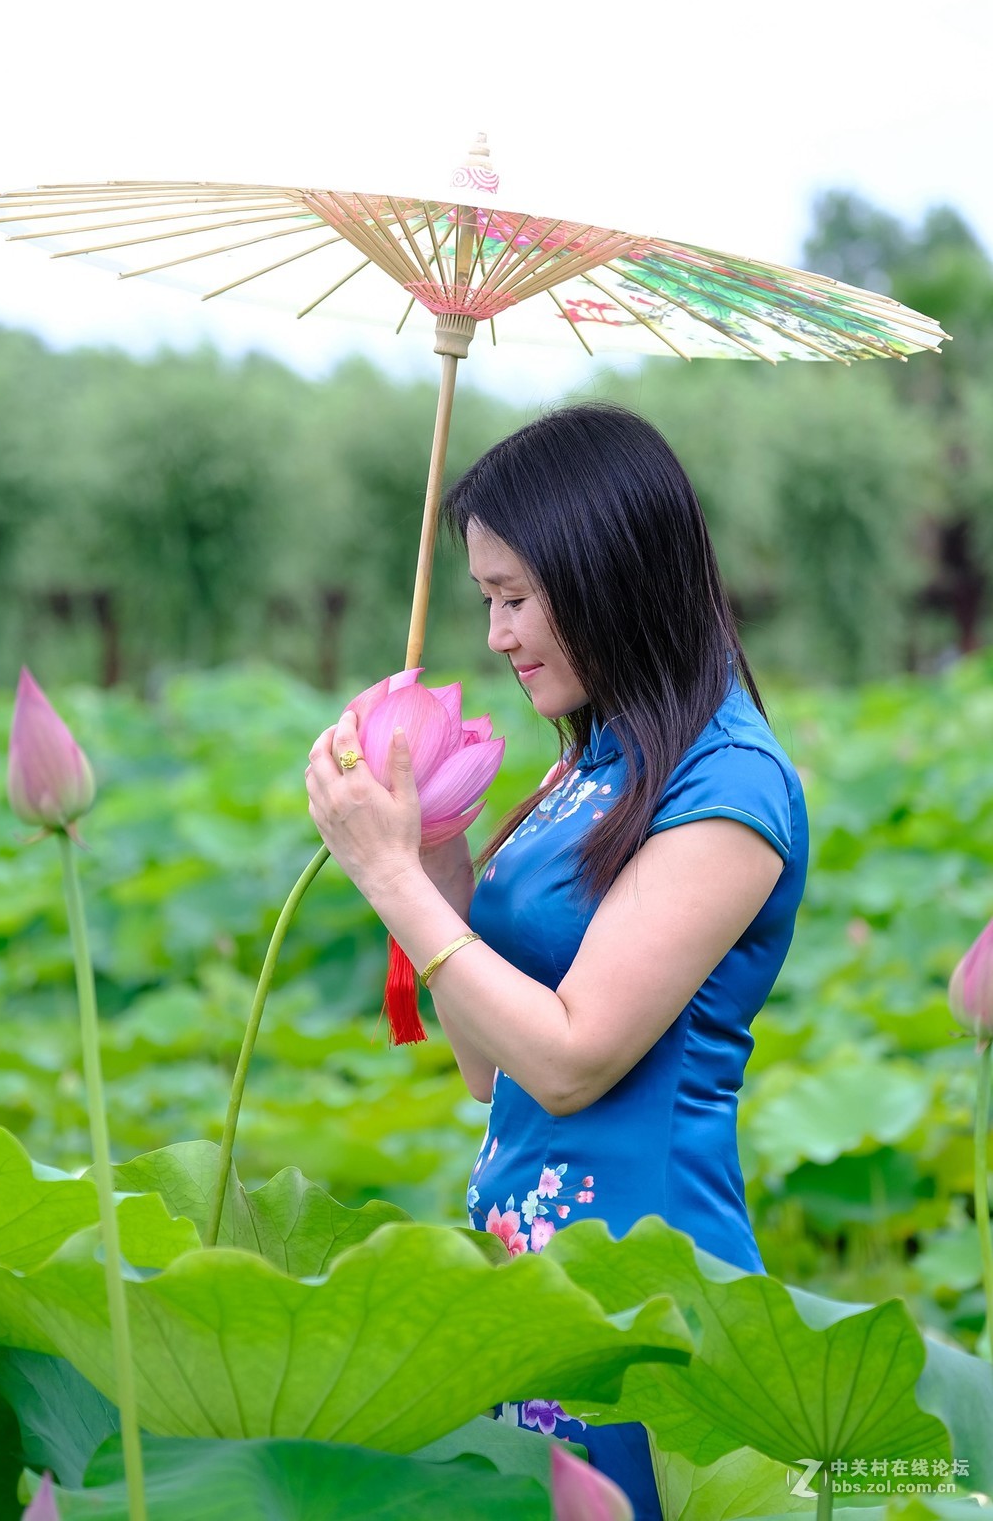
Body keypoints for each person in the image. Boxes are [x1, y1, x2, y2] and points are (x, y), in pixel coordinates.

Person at [305, 401, 809, 1521]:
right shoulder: (593, 764)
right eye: (486, 599)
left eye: (517, 598)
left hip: (645, 1285)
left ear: (612, 574)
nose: (496, 634)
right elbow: (490, 1069)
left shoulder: (728, 790)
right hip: (526, 1274)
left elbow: (573, 1059)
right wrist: (429, 838)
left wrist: (389, 879)